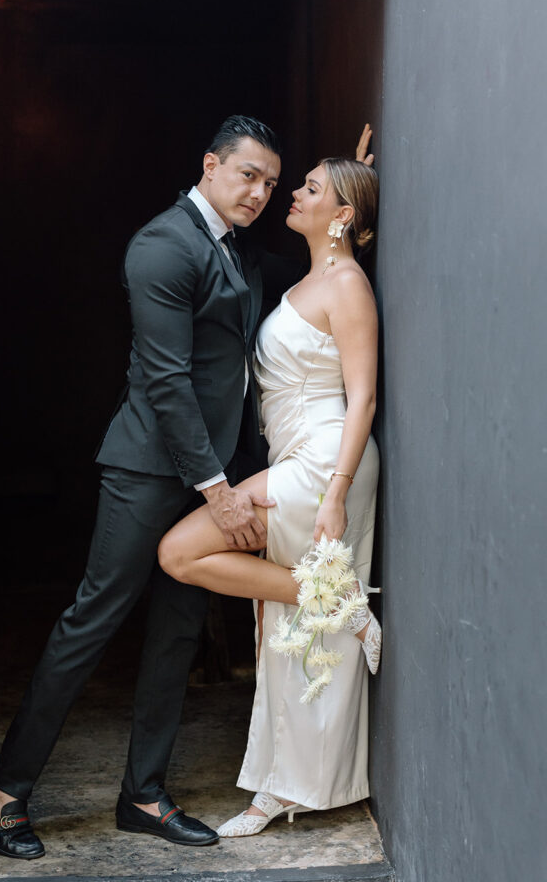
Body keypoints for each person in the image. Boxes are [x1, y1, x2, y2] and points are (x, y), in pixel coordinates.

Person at [0, 115, 286, 858]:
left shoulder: (236, 247)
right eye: (248, 175)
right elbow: (166, 380)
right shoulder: (161, 245)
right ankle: (4, 787)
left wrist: (345, 200)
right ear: (210, 164)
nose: (259, 192)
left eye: (272, 183)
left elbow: (297, 267)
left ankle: (143, 794)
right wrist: (217, 488)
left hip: (209, 473)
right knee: (95, 618)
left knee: (177, 629)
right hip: (151, 468)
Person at [158, 155, 381, 836]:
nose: (292, 192)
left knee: (181, 551)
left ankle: (333, 604)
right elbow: (345, 207)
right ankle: (282, 787)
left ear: (341, 216)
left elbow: (362, 395)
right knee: (277, 628)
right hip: (298, 457)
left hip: (323, 461)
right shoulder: (320, 273)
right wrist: (349, 173)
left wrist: (337, 491)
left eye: (311, 189)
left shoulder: (345, 283)